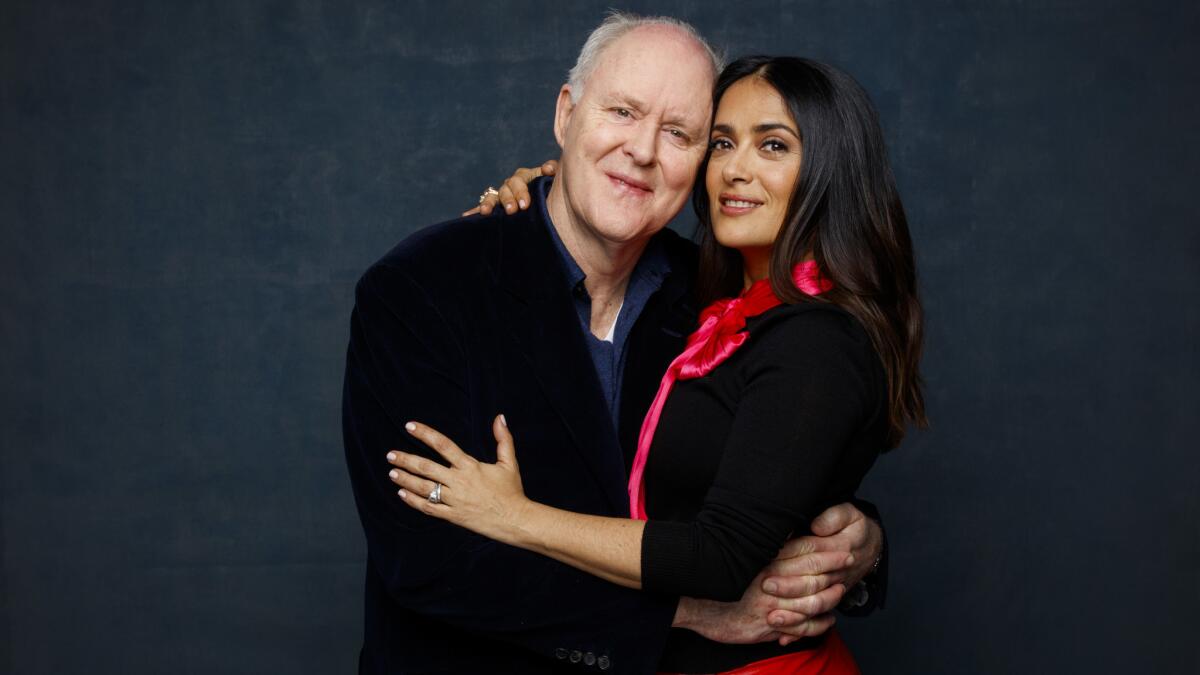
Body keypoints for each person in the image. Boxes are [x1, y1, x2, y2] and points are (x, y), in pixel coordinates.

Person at [343, 14, 885, 674]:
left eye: (681, 133)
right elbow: (428, 558)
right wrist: (690, 610)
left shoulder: (711, 297)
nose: (643, 150)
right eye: (622, 111)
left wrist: (858, 543)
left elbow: (756, 467)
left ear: (698, 163)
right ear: (567, 115)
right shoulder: (422, 291)